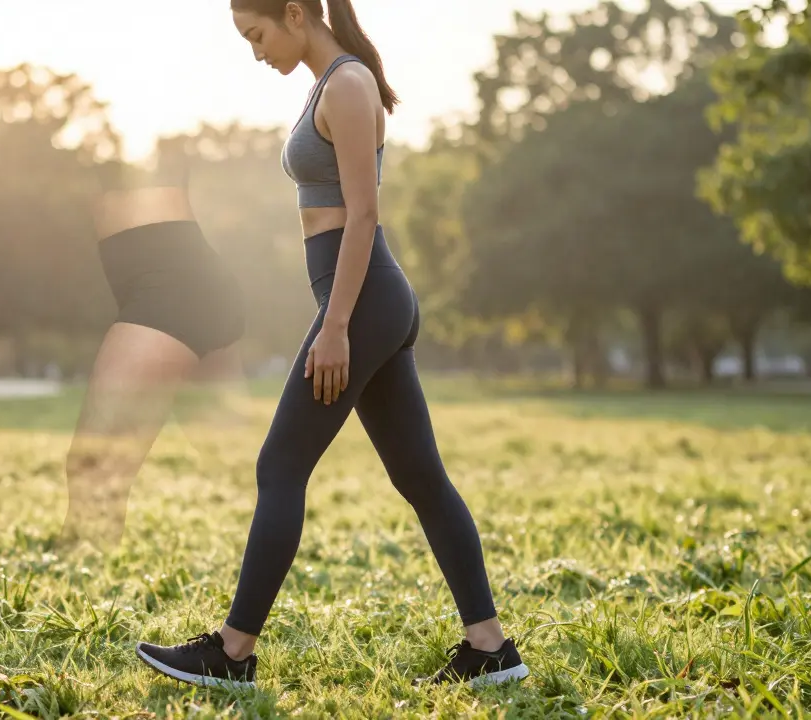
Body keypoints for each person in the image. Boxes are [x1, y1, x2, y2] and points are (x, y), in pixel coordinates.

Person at [135, 0, 529, 690]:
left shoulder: (347, 84)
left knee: (279, 466)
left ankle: (231, 653)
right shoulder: (332, 84)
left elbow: (365, 211)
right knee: (422, 480)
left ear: (294, 13)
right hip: (369, 302)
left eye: (257, 34)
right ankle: (491, 649)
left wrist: (337, 325)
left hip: (366, 303)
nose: (255, 51)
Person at [59, 143, 252, 555]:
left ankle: (75, 595)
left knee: (95, 465)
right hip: (184, 284)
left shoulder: (137, 107)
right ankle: (278, 582)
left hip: (170, 291)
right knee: (241, 466)